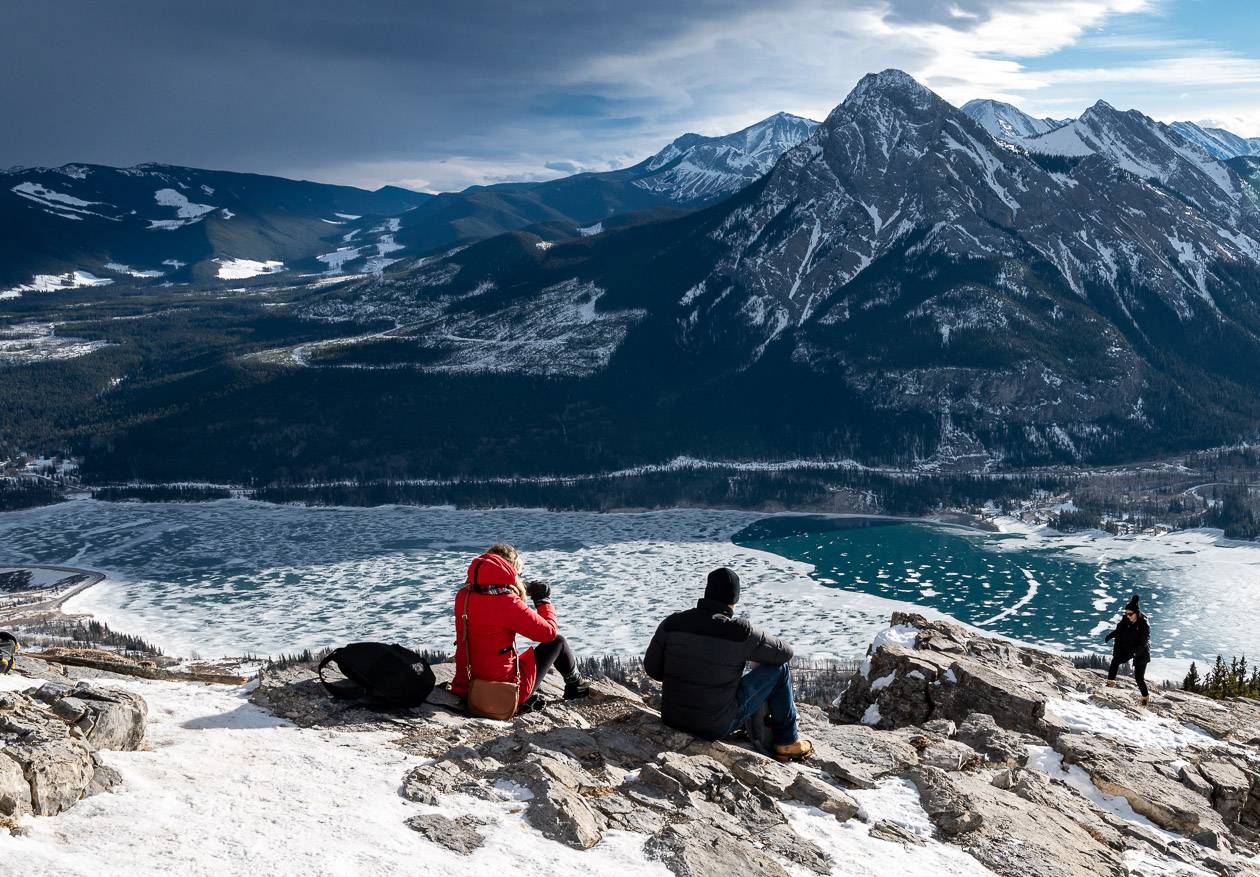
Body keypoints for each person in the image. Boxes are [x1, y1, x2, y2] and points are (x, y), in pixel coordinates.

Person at [643, 567, 813, 762]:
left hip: (672, 717)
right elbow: (785, 653)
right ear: (734, 600)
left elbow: (653, 670)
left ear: (706, 593)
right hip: (713, 726)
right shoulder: (740, 632)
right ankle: (787, 741)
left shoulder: (672, 623)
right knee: (779, 669)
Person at [451, 544, 589, 712]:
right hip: (502, 692)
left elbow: (488, 600)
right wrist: (543, 601)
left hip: (465, 687)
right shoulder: (507, 603)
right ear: (511, 572)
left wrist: (519, 588)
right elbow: (548, 633)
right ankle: (577, 687)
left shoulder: (463, 596)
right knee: (558, 642)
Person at [1104, 593, 1152, 704]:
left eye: (1130, 614)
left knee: (1139, 678)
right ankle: (1110, 684)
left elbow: (1143, 643)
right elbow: (1119, 630)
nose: (1128, 616)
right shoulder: (1126, 619)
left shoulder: (1144, 624)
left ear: (1136, 613)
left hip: (1141, 652)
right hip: (1128, 647)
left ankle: (1145, 698)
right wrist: (1110, 636)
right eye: (1126, 613)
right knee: (1115, 660)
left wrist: (1134, 653)